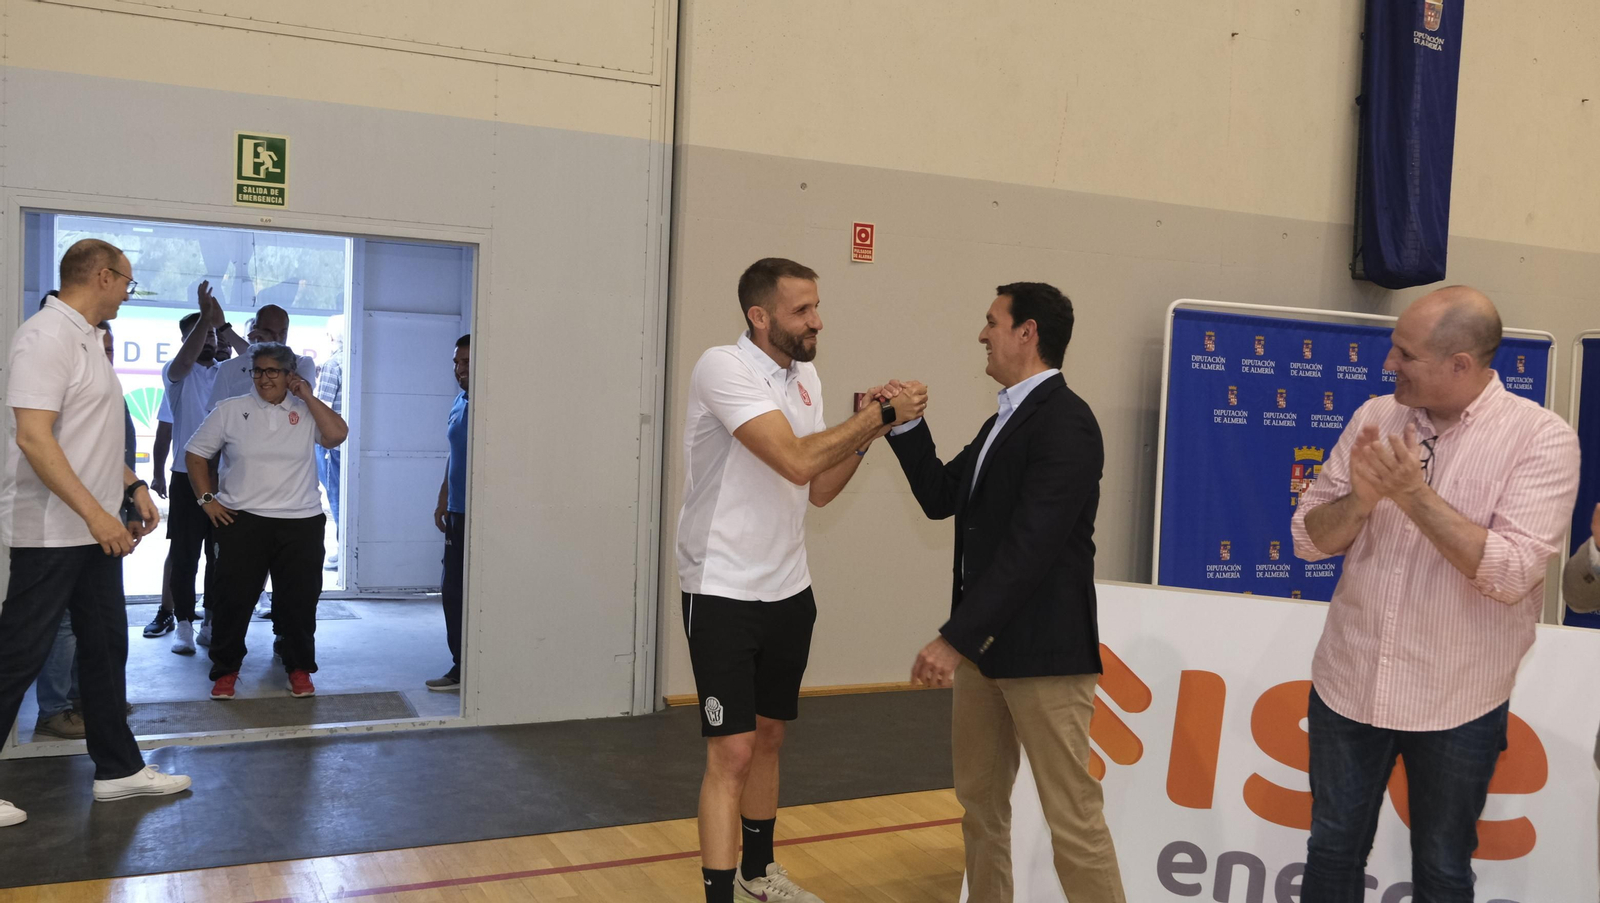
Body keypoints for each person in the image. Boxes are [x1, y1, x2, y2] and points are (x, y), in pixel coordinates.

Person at [1291, 286, 1580, 902]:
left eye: (1406, 354)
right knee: (1330, 851)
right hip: (1349, 681)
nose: (1389, 364)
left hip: (1457, 698)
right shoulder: (1374, 415)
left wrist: (1413, 495)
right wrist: (1364, 500)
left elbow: (1512, 573)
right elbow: (1309, 539)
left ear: (1461, 366)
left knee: (1443, 868)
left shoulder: (1542, 439)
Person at [675, 258, 923, 903]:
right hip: (722, 588)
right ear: (760, 317)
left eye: (816, 306)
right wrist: (877, 416)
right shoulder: (721, 368)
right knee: (731, 753)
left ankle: (759, 874)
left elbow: (817, 490)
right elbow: (791, 459)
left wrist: (871, 430)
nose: (818, 321)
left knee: (770, 738)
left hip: (788, 588)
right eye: (801, 310)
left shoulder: (805, 376)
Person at [883, 282, 1126, 903]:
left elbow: (1032, 550)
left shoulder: (1068, 422)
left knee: (1072, 818)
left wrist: (954, 637)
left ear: (1028, 332)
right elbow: (943, 498)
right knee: (981, 810)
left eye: (992, 321)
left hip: (1044, 656)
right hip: (986, 657)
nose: (982, 333)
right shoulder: (1003, 420)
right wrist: (905, 426)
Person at [0, 239, 192, 829]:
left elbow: (92, 437)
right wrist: (96, 513)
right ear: (103, 276)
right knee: (18, 654)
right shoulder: (45, 337)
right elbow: (34, 438)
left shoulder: (86, 338)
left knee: (106, 647)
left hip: (90, 530)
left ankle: (118, 769)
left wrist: (132, 488)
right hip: (51, 532)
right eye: (128, 284)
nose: (128, 295)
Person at [185, 342, 349, 701]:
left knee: (299, 602)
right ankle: (226, 671)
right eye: (257, 371)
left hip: (300, 521)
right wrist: (207, 500)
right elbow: (195, 454)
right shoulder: (230, 410)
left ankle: (299, 668)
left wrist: (306, 395)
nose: (263, 378)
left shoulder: (306, 412)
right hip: (242, 521)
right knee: (233, 601)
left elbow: (336, 435)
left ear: (291, 375)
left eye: (273, 371)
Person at [204, 306, 315, 621]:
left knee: (291, 583)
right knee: (229, 576)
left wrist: (254, 345)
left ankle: (285, 640)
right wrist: (208, 495)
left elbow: (291, 383)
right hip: (239, 493)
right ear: (253, 327)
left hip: (291, 501)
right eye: (268, 331)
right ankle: (215, 626)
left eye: (281, 333)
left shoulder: (302, 365)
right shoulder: (229, 370)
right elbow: (207, 442)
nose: (277, 338)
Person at [159, 287, 227, 655]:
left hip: (222, 477)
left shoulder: (226, 374)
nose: (209, 341)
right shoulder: (177, 375)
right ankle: (183, 622)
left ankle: (210, 619)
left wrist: (215, 321)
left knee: (218, 555)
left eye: (213, 334)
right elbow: (184, 363)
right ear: (187, 340)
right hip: (186, 476)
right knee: (185, 554)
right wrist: (204, 316)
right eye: (202, 335)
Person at [428, 334, 470, 692]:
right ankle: (461, 666)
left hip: (482, 516)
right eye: (456, 363)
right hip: (457, 512)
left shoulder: (492, 406)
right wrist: (443, 497)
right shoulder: (460, 401)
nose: (459, 370)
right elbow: (453, 455)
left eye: (467, 363)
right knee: (452, 591)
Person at [317, 315, 345, 569]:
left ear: (331, 338)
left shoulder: (332, 364)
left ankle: (342, 550)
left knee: (336, 497)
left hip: (332, 446)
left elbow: (321, 407)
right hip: (349, 443)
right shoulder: (354, 361)